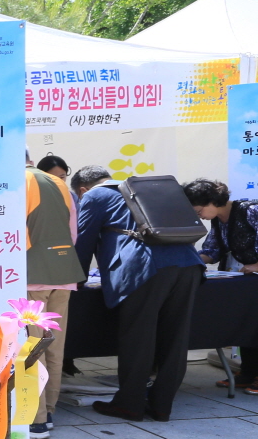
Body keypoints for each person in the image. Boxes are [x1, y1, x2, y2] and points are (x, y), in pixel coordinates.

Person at [75, 165, 204, 421]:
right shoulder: (145, 190)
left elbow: (84, 240)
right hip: (189, 263)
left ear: (82, 189)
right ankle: (162, 405)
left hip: (145, 269)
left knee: (138, 337)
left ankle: (130, 404)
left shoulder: (95, 196)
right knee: (175, 338)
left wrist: (76, 281)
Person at [24, 166, 85, 439]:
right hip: (64, 273)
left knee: (32, 347)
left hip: (30, 275)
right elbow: (73, 233)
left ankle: (34, 419)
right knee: (54, 347)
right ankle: (48, 411)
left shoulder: (16, 181)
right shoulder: (60, 183)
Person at [184, 178, 258, 393]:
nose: (198, 216)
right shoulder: (218, 219)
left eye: (198, 211)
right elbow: (211, 251)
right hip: (249, 282)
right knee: (248, 322)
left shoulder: (251, 211)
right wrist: (187, 262)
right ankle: (248, 372)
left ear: (212, 201)